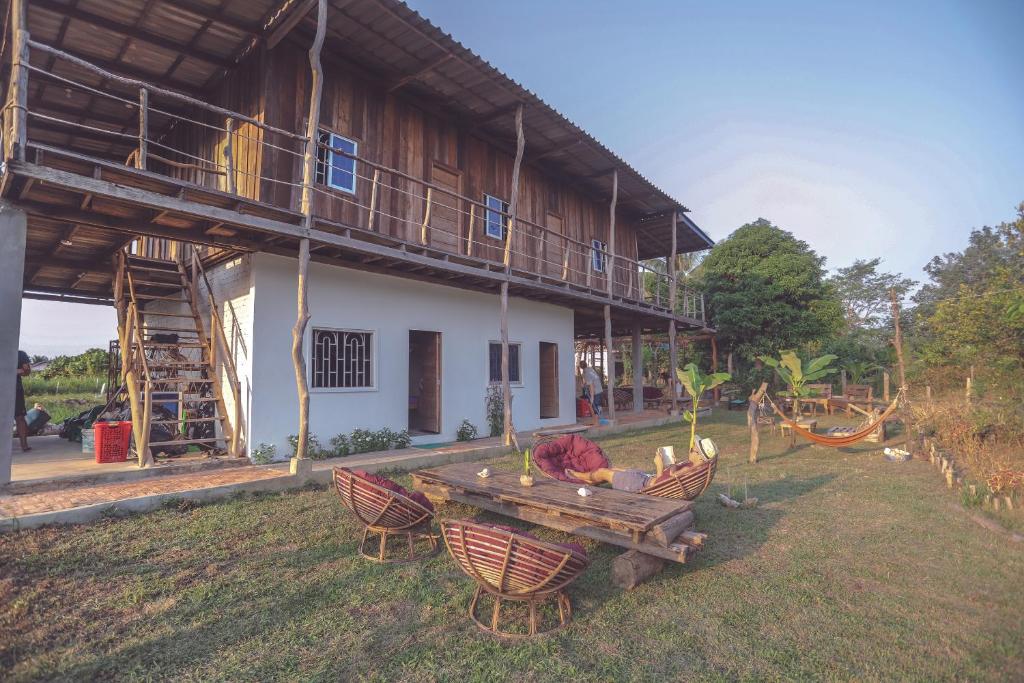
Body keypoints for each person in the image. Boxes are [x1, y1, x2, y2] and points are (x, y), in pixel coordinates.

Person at [568, 437, 718, 493]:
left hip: (644, 485)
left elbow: (661, 484)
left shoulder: (687, 470)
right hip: (645, 478)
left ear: (699, 455)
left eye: (693, 449)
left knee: (603, 472)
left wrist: (660, 465)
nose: (691, 449)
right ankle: (589, 479)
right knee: (613, 470)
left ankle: (577, 475)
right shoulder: (693, 468)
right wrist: (672, 465)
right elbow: (671, 478)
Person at [14, 350, 31, 451]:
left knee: (20, 417)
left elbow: (27, 371)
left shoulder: (20, 354)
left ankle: (24, 446)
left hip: (16, 390)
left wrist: (15, 371)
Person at [578, 360, 603, 424]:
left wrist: (592, 397)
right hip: (599, 390)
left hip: (596, 391)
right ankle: (595, 420)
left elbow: (591, 386)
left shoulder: (587, 373)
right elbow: (589, 380)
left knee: (594, 406)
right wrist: (584, 384)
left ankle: (596, 422)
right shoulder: (589, 369)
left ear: (581, 367)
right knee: (591, 405)